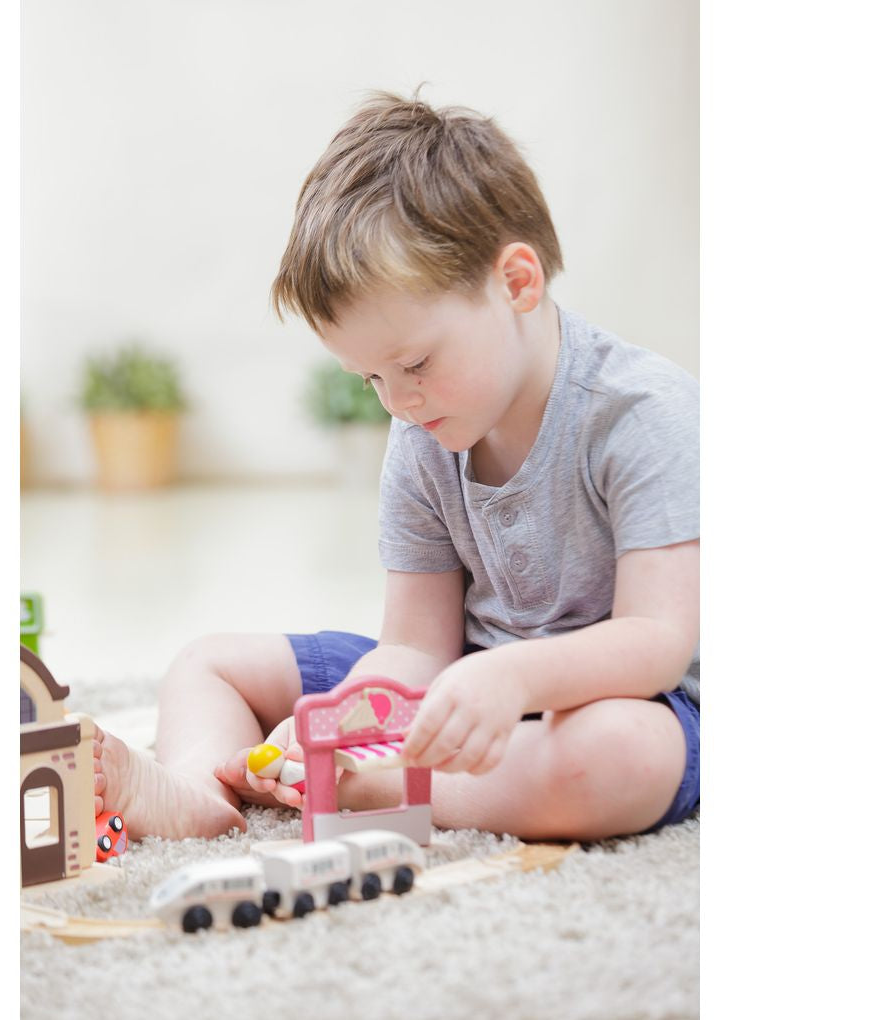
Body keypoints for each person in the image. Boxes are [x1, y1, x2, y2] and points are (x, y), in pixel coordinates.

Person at [92, 91, 699, 843]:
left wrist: (512, 680)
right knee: (207, 663)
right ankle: (198, 786)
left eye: (413, 363)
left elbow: (656, 643)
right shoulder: (423, 433)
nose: (397, 402)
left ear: (516, 283)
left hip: (619, 699)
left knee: (617, 761)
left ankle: (369, 786)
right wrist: (337, 721)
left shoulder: (639, 414)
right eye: (370, 379)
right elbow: (414, 648)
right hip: (460, 681)